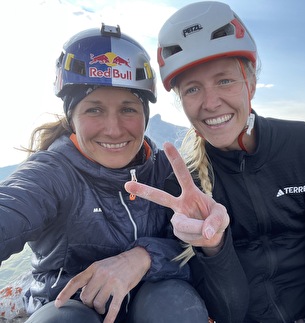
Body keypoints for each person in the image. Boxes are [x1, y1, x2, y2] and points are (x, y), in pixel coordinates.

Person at [125, 2, 305, 323]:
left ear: (251, 83)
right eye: (193, 89)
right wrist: (213, 246)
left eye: (225, 81)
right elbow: (229, 310)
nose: (211, 102)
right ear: (182, 102)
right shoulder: (186, 188)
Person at [0, 23, 208, 323]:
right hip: (69, 303)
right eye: (94, 110)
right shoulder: (54, 173)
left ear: (144, 117)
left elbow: (197, 246)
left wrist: (144, 256)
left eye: (128, 109)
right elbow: (13, 204)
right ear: (72, 117)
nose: (113, 129)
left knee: (174, 306)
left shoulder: (165, 170)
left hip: (154, 302)